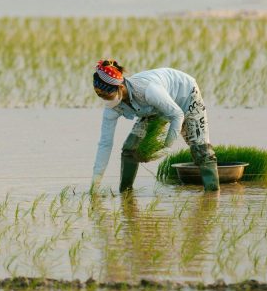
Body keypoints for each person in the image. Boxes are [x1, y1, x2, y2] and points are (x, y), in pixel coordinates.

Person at [91, 59, 220, 193]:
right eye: (100, 95)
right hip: (153, 108)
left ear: (121, 87)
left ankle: (212, 195)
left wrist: (166, 146)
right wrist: (95, 184)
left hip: (186, 94)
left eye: (106, 95)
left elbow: (177, 115)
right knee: (130, 149)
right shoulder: (112, 108)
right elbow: (105, 143)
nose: (104, 99)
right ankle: (125, 193)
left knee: (200, 150)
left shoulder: (148, 91)